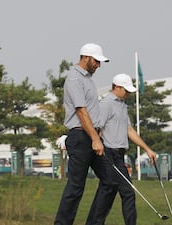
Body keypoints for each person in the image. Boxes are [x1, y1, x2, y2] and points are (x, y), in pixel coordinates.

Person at [86, 73, 157, 225]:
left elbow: (129, 130)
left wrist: (147, 149)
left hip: (119, 155)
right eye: (126, 90)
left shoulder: (122, 105)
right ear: (116, 87)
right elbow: (97, 126)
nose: (129, 93)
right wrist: (97, 145)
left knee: (117, 191)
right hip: (107, 152)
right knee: (116, 190)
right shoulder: (106, 103)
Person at [54, 43, 108, 225]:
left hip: (92, 136)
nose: (99, 65)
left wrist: (97, 136)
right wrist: (95, 139)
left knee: (110, 181)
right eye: (96, 61)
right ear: (85, 57)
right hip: (81, 137)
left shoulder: (88, 79)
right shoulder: (74, 79)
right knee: (76, 187)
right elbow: (81, 111)